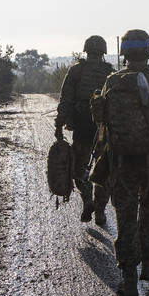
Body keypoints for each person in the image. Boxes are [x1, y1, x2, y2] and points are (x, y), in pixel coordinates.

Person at [95, 29, 149, 296]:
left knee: (124, 215)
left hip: (121, 159)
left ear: (124, 54)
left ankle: (129, 280)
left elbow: (101, 119)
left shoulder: (111, 81)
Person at [54, 35, 114, 226]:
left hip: (81, 126)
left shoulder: (76, 71)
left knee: (80, 167)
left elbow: (66, 100)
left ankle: (87, 200)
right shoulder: (110, 73)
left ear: (86, 50)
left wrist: (59, 124)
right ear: (103, 51)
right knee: (103, 170)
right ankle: (100, 212)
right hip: (104, 128)